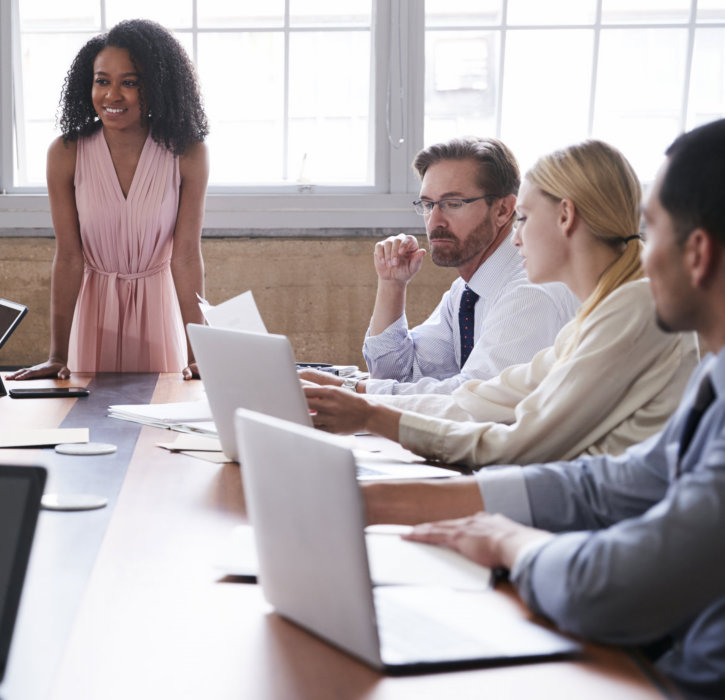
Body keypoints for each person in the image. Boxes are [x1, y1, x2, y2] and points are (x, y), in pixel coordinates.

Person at [364, 119, 725, 700]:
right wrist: (381, 489)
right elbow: (614, 481)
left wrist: (512, 542)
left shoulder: (624, 306)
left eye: (650, 231)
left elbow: (531, 446)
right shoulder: (706, 365)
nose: (640, 253)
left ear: (699, 253)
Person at [303, 140, 699, 467]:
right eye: (428, 204)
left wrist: (369, 411)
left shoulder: (624, 310)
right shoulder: (604, 311)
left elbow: (514, 439)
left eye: (523, 218)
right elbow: (482, 397)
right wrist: (359, 396)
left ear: (565, 217)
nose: (515, 238)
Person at [8, 19, 208, 380]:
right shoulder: (66, 153)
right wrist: (57, 355)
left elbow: (187, 257)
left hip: (157, 315)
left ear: (157, 87)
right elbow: (69, 258)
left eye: (129, 82)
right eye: (103, 81)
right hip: (94, 316)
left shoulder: (187, 152)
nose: (112, 96)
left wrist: (201, 356)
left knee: (157, 424)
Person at [303, 137, 579, 395]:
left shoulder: (530, 290)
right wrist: (391, 284)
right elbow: (397, 374)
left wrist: (351, 389)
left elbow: (478, 400)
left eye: (453, 203)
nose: (434, 221)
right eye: (427, 204)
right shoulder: (467, 292)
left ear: (504, 210)